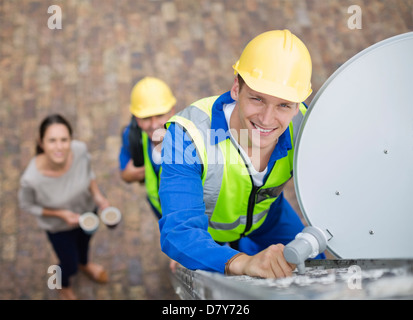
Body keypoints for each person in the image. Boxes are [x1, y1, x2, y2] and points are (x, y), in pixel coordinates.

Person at [158, 29, 325, 279]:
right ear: (236, 88)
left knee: (317, 266)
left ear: (298, 103)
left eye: (283, 105)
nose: (267, 120)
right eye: (257, 99)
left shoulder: (305, 124)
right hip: (211, 232)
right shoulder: (188, 136)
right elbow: (179, 231)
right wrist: (242, 263)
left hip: (268, 216)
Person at [18, 114, 110, 300]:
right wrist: (60, 214)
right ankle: (62, 284)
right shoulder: (31, 179)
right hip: (59, 228)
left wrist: (97, 195)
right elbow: (27, 204)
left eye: (64, 140)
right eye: (52, 141)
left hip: (87, 214)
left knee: (84, 246)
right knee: (68, 263)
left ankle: (85, 264)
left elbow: (88, 171)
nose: (59, 147)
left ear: (71, 140)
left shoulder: (80, 150)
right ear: (41, 142)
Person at [118, 76, 176, 219]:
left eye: (160, 115)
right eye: (146, 118)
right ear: (136, 118)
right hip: (158, 208)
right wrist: (127, 175)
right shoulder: (131, 137)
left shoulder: (188, 140)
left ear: (172, 111)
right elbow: (124, 167)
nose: (154, 124)